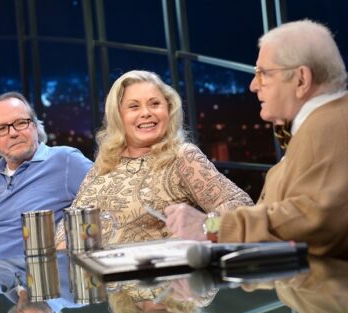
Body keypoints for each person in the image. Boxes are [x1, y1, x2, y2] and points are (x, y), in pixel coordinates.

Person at [164, 19, 348, 259]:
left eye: (263, 74)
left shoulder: (327, 129)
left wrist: (207, 227)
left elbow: (310, 222)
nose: (253, 85)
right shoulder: (321, 125)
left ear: (301, 79)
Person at [55, 70, 253, 247]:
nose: (146, 113)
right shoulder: (107, 161)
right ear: (119, 116)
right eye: (134, 107)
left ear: (168, 109)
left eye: (155, 104)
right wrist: (64, 243)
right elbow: (71, 219)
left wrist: (203, 227)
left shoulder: (182, 156)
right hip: (104, 281)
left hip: (165, 281)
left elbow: (240, 206)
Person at [0, 91, 92, 262]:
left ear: (35, 125)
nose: (13, 133)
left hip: (39, 281)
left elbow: (112, 203)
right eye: (2, 128)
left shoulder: (66, 160)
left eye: (20, 122)